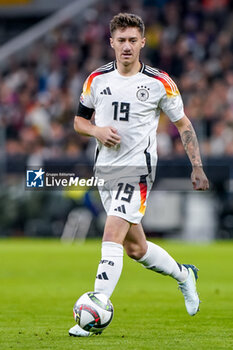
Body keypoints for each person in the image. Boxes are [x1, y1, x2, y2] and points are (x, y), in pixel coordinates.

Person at [69, 13, 209, 337]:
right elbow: (79, 122)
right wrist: (97, 131)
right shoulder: (96, 80)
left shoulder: (159, 82)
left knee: (112, 232)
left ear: (143, 42)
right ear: (111, 43)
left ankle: (95, 308)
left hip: (138, 172)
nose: (127, 46)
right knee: (136, 249)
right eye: (121, 40)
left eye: (133, 40)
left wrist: (197, 166)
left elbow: (184, 125)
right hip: (105, 171)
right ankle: (184, 275)